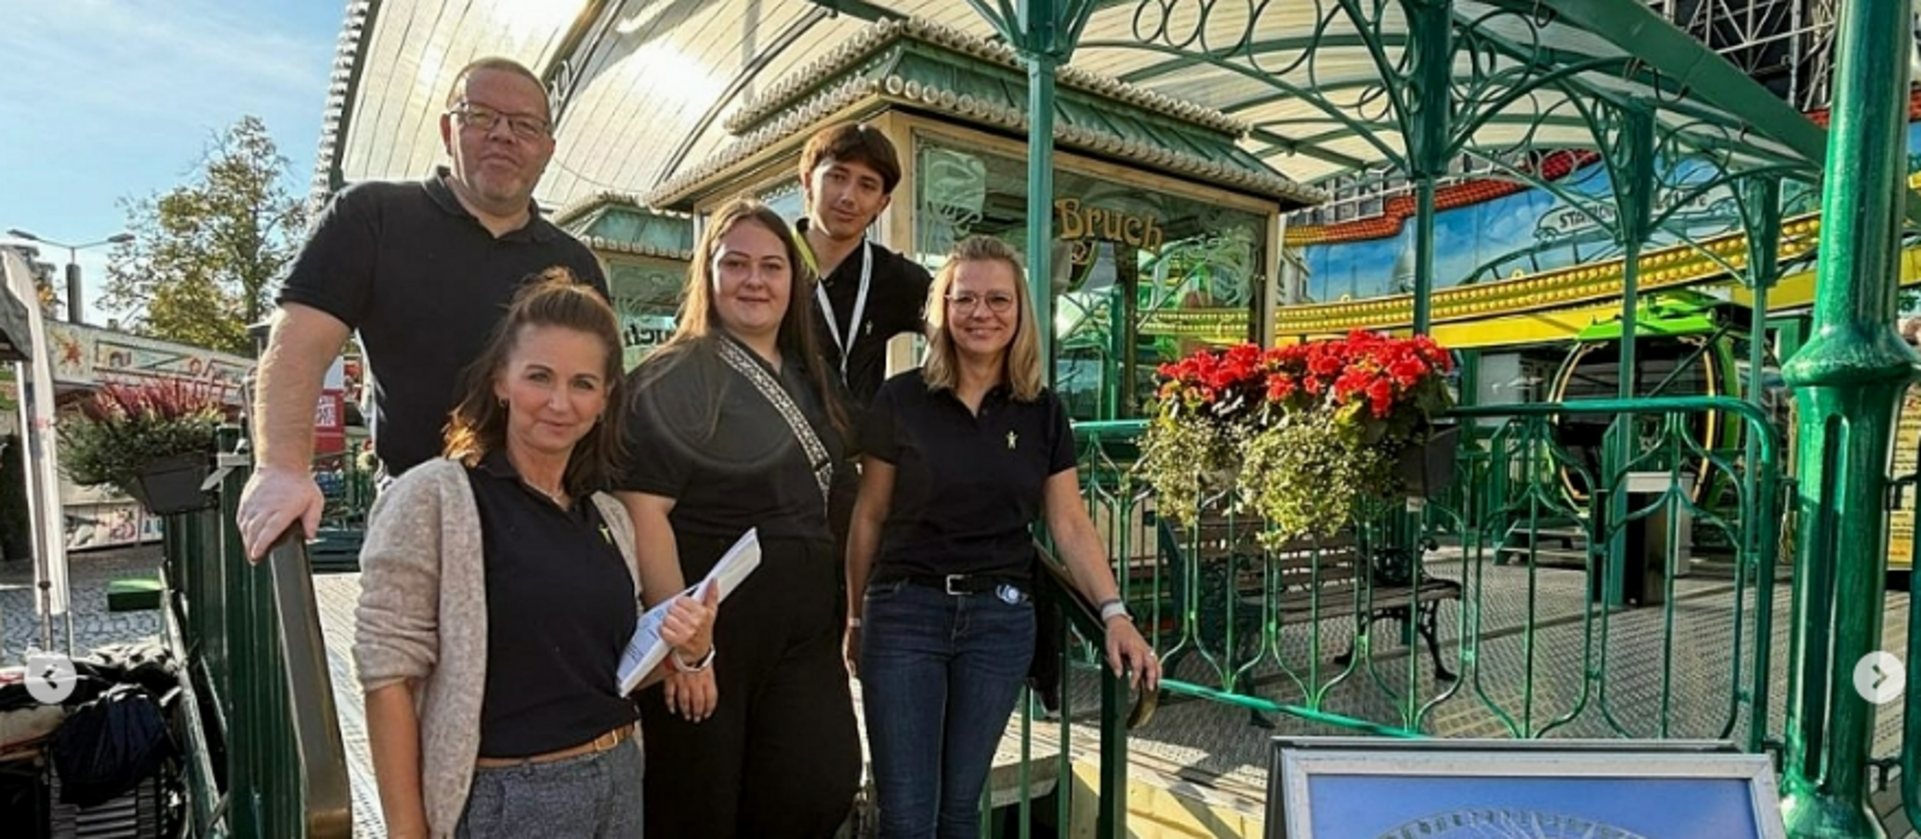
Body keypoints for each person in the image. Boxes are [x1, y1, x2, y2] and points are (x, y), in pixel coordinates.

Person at [354, 273, 715, 839]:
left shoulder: (607, 516)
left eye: (583, 384)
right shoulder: (436, 497)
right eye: (539, 377)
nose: (559, 402)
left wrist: (684, 651)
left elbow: (603, 673)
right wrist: (407, 830)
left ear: (605, 399)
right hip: (512, 800)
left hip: (619, 776)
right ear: (501, 380)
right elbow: (386, 676)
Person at [845, 236, 1161, 839]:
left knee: (960, 810)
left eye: (998, 299)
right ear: (943, 308)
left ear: (1020, 312)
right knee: (907, 817)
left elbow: (1068, 521)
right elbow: (869, 516)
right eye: (965, 299)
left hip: (999, 620)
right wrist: (855, 619)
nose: (981, 313)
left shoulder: (1040, 410)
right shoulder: (901, 398)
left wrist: (1114, 613)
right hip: (906, 613)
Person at [238, 55, 607, 559]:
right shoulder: (373, 216)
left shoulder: (574, 260)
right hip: (422, 510)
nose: (503, 135)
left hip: (547, 511)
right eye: (480, 116)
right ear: (447, 129)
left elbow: (600, 391)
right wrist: (281, 468)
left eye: (524, 125)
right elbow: (297, 346)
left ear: (547, 149)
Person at [615, 199, 860, 838]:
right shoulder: (673, 376)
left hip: (806, 630)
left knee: (819, 783)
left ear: (793, 281)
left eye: (772, 266)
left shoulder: (813, 379)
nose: (755, 280)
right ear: (709, 275)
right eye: (737, 264)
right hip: (713, 631)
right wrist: (685, 650)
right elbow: (645, 512)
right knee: (701, 805)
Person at [793, 123, 935, 553]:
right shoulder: (767, 264)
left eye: (867, 185)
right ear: (806, 180)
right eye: (836, 176)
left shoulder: (896, 278)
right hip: (774, 477)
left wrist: (914, 417)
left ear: (883, 203)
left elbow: (960, 342)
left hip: (857, 481)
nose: (848, 196)